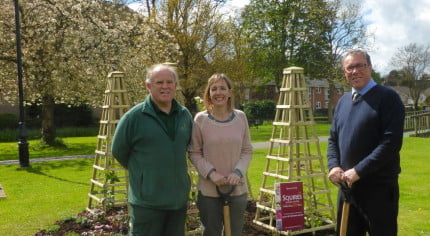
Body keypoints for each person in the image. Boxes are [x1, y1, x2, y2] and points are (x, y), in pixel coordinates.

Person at [327, 50, 405, 236]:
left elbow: (391, 143)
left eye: (360, 65)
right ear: (345, 73)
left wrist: (359, 171)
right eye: (349, 68)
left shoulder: (388, 98)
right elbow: (333, 139)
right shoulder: (343, 102)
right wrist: (334, 166)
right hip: (347, 188)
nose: (355, 71)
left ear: (370, 67)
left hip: (378, 189)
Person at [111, 64, 193, 236]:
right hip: (147, 204)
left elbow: (189, 147)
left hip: (177, 202)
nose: (165, 86)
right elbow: (119, 151)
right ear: (149, 86)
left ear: (176, 85)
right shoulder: (133, 117)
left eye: (170, 82)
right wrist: (144, 175)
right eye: (159, 82)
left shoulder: (184, 115)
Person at [188, 73, 253, 236]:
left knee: (235, 232)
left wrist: (237, 172)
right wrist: (211, 173)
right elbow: (194, 152)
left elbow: (247, 150)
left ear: (229, 92)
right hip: (209, 191)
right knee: (211, 232)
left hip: (236, 189)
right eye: (214, 89)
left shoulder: (240, 117)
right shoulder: (200, 120)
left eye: (222, 88)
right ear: (208, 93)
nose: (218, 93)